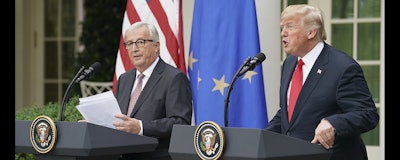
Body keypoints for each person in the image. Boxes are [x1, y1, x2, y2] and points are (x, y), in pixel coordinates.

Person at [264, 4, 379, 160]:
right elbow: (289, 113)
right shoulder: (290, 63)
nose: (283, 33)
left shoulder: (342, 67)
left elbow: (367, 114)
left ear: (311, 32)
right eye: (282, 27)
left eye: (290, 27)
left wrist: (333, 123)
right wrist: (262, 137)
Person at [112, 22, 193, 159]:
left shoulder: (173, 78)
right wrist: (96, 123)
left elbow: (180, 123)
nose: (134, 49)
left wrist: (142, 127)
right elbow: (118, 119)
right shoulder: (124, 79)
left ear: (156, 46)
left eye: (140, 42)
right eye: (129, 44)